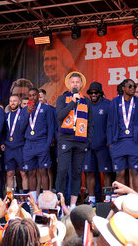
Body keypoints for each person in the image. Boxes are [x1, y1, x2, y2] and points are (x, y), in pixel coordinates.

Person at [55, 72, 93, 210]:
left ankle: (72, 205)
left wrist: (87, 141)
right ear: (69, 84)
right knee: (62, 171)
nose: (75, 84)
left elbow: (91, 122)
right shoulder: (62, 98)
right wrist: (72, 102)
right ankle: (60, 204)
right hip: (66, 138)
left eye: (77, 82)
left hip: (81, 141)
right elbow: (59, 116)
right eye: (73, 82)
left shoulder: (87, 101)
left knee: (77, 172)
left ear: (81, 84)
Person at [107, 79, 138, 192]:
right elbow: (109, 124)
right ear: (123, 88)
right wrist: (110, 143)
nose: (132, 88)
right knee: (120, 172)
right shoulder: (114, 102)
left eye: (133, 86)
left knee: (134, 171)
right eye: (129, 86)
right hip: (118, 142)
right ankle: (120, 201)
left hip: (135, 142)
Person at [83, 82, 112, 206]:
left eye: (96, 93)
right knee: (89, 172)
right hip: (88, 146)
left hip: (103, 146)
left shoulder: (108, 105)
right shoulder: (84, 105)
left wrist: (108, 141)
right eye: (91, 93)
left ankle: (108, 198)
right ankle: (92, 198)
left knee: (107, 173)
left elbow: (111, 125)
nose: (93, 95)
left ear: (101, 93)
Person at [23, 87, 55, 196]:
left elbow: (51, 128)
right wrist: (27, 113)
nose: (32, 97)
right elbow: (21, 128)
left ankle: (46, 198)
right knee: (31, 172)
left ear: (38, 95)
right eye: (30, 96)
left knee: (43, 171)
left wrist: (47, 144)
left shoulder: (47, 109)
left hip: (42, 143)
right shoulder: (25, 110)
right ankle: (33, 200)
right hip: (29, 144)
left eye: (34, 95)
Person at [1, 94, 29, 192]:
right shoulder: (6, 116)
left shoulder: (23, 114)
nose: (12, 103)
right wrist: (2, 142)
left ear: (19, 103)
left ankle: (25, 199)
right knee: (9, 173)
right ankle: (10, 198)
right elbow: (3, 131)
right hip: (9, 148)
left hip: (20, 147)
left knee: (23, 173)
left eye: (15, 101)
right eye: (11, 101)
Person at [40, 40, 76, 107]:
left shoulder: (71, 87)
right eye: (46, 59)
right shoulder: (42, 89)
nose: (49, 64)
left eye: (54, 59)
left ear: (64, 63)